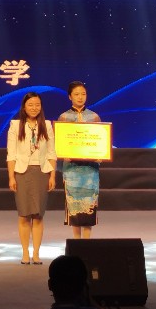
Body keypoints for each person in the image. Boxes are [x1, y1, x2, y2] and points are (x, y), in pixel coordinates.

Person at [7, 91, 57, 265]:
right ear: (24, 107)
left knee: (38, 215)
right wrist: (11, 177)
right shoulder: (15, 125)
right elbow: (11, 154)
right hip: (22, 172)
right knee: (24, 215)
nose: (34, 108)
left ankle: (36, 253)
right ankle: (25, 252)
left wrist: (52, 175)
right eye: (30, 105)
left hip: (41, 172)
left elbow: (51, 153)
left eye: (37, 105)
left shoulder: (47, 125)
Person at [58, 81, 103, 240]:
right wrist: (63, 153)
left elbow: (100, 141)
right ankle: (76, 243)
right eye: (76, 94)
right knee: (75, 207)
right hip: (72, 171)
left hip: (90, 170)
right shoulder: (64, 117)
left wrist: (100, 154)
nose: (80, 97)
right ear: (70, 96)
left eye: (83, 94)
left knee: (89, 205)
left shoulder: (94, 117)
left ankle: (87, 243)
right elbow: (59, 144)